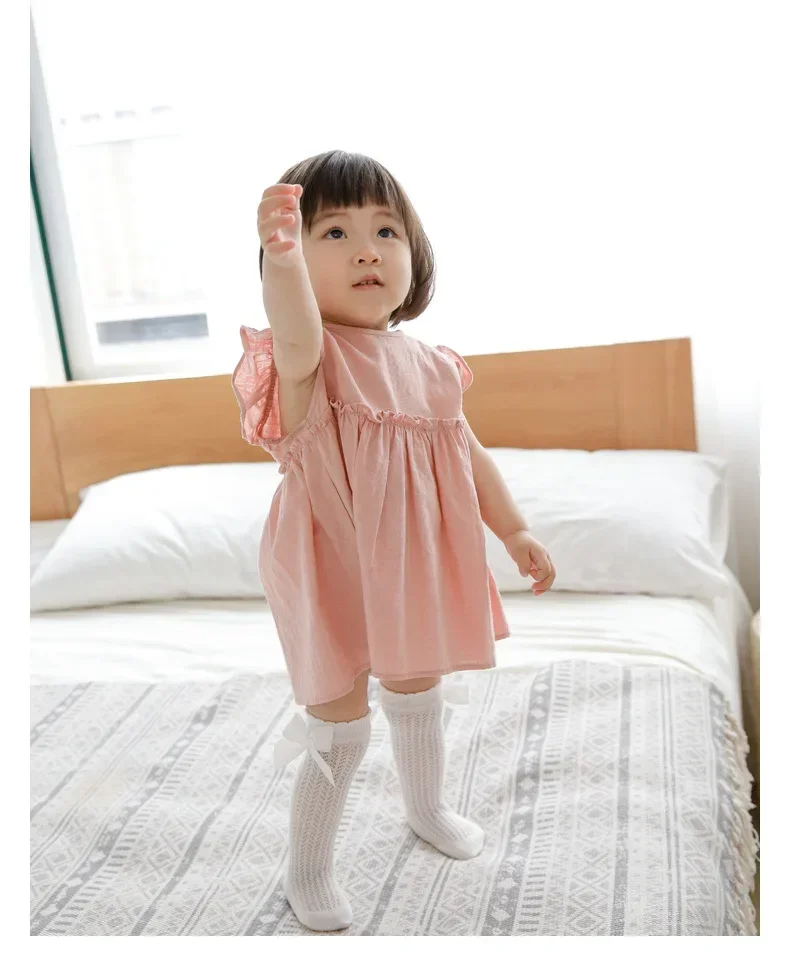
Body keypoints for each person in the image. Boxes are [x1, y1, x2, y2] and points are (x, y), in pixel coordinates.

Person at [231, 150, 555, 932]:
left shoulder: (433, 367)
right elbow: (293, 329)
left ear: (415, 254)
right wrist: (281, 260)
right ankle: (308, 869)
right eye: (334, 233)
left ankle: (427, 807)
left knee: (418, 691)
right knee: (340, 726)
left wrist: (512, 529)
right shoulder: (310, 361)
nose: (366, 251)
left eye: (386, 231)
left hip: (411, 558)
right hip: (328, 564)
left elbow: (468, 454)